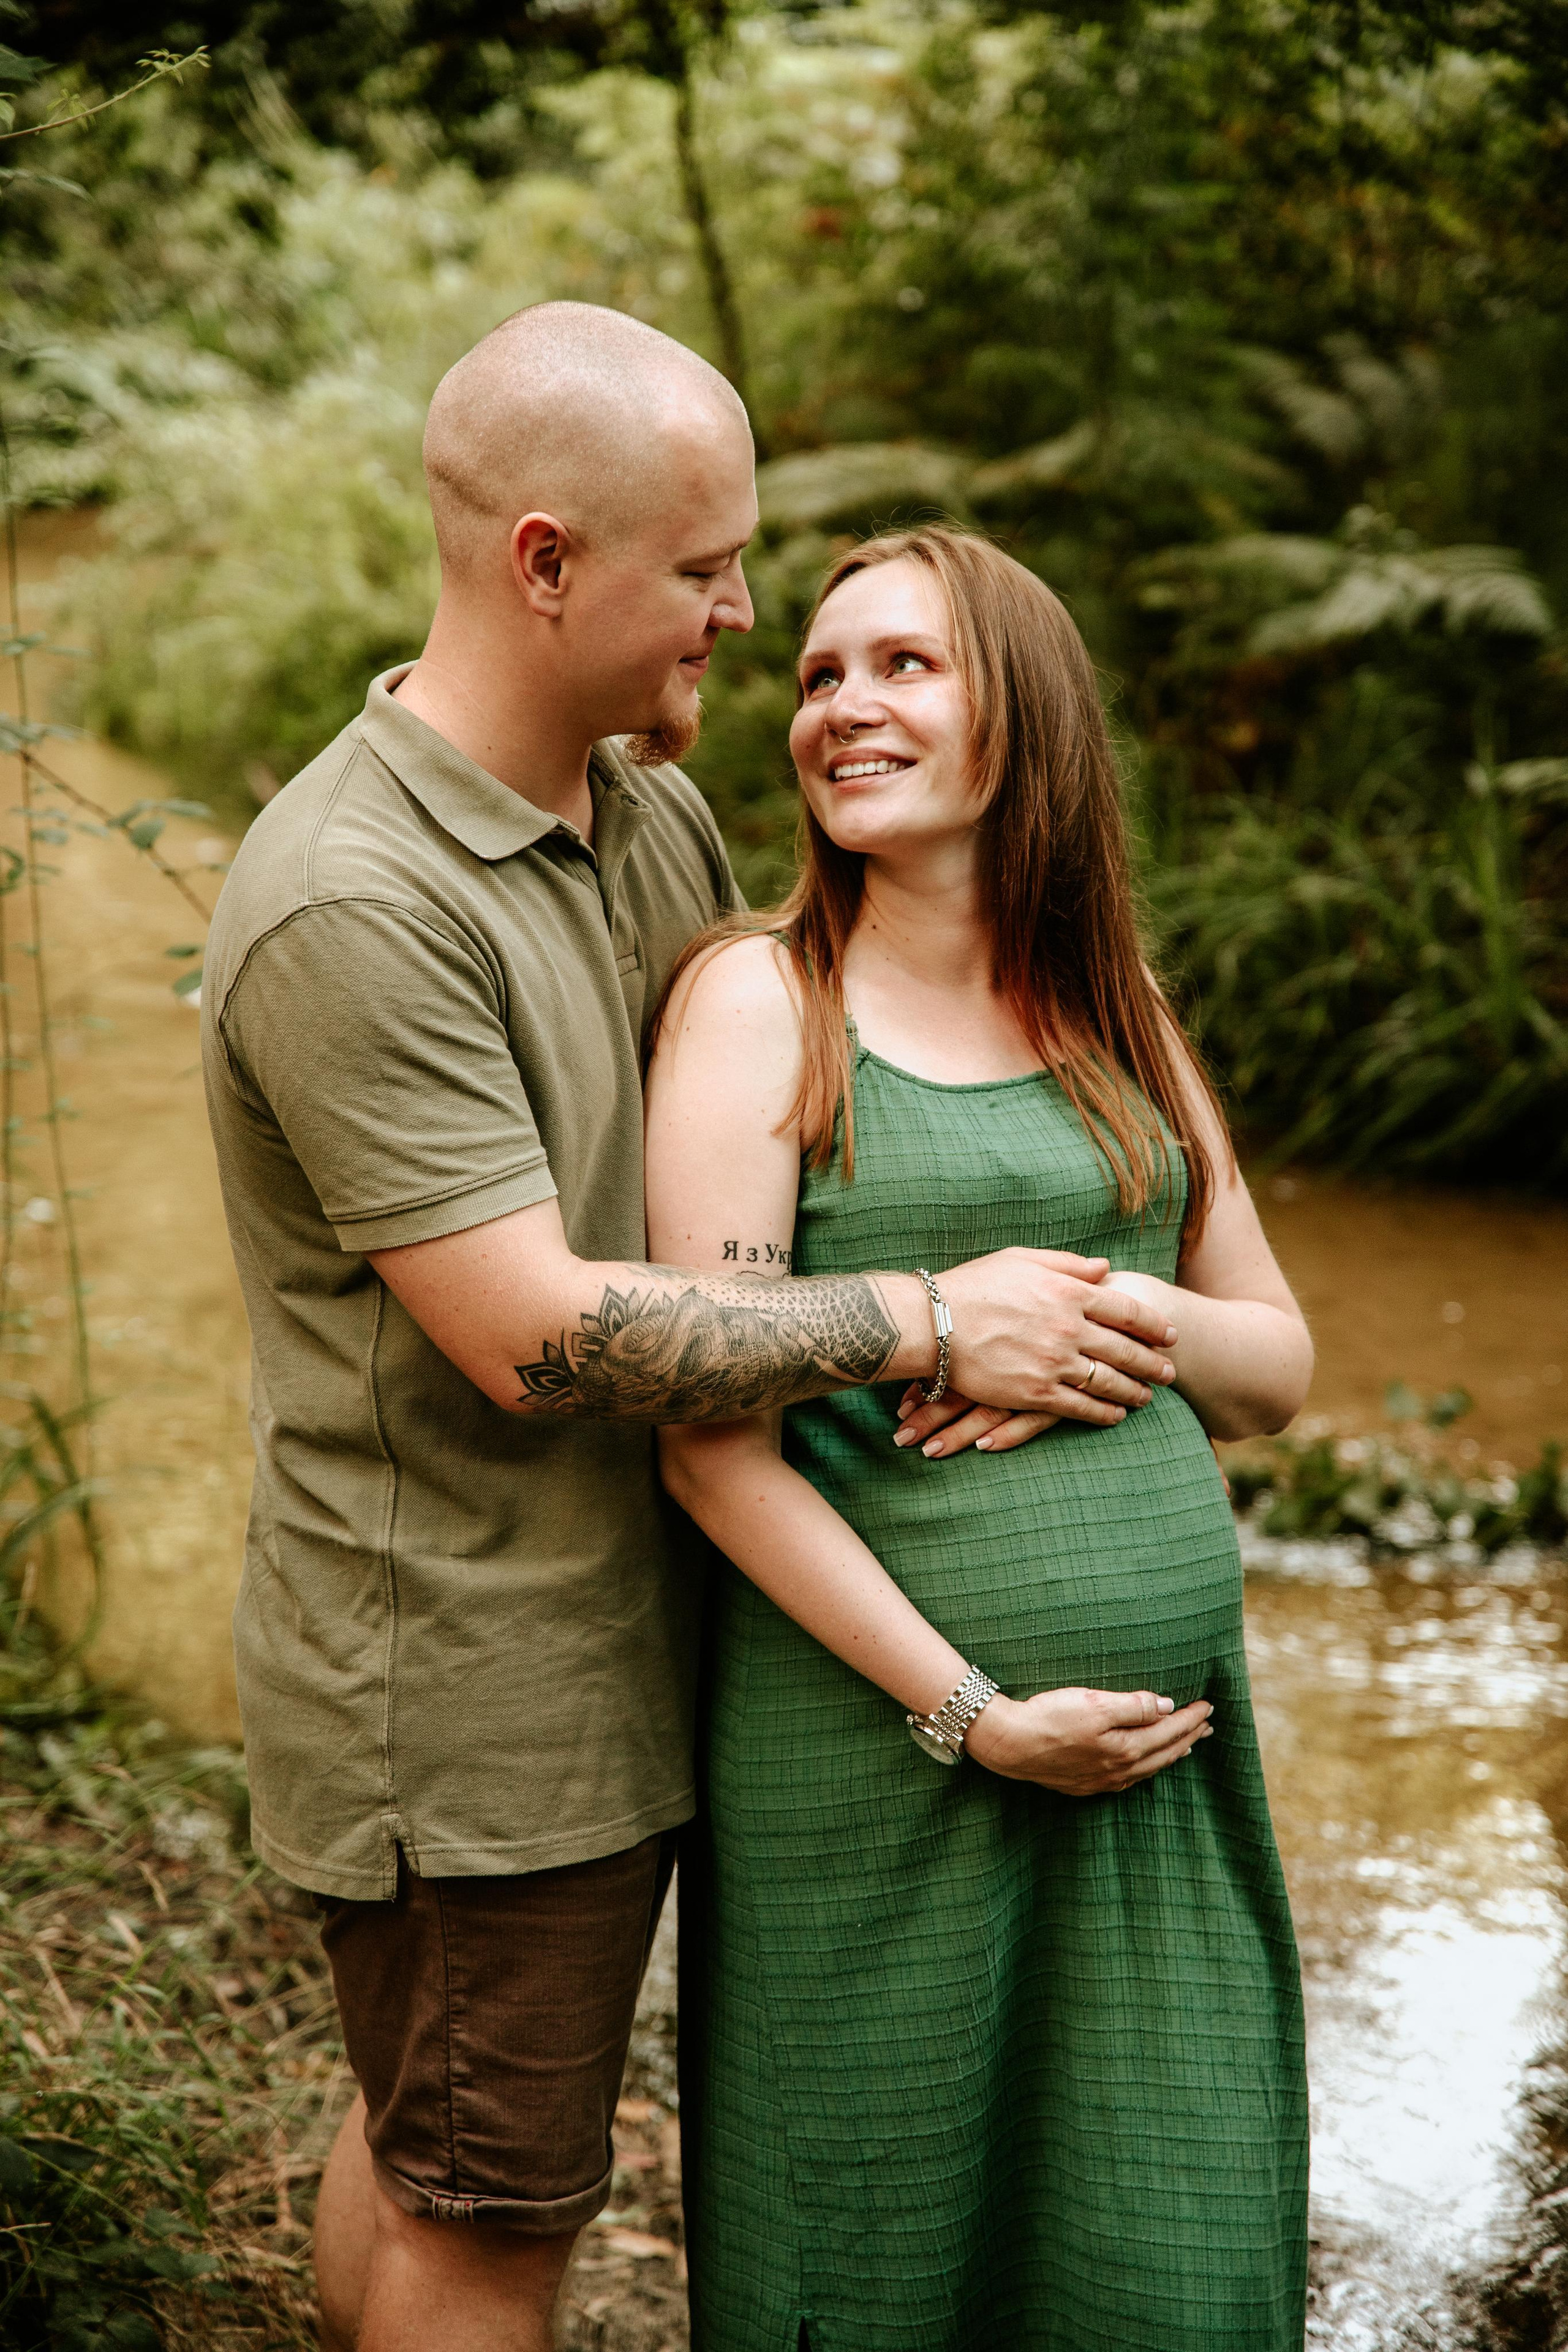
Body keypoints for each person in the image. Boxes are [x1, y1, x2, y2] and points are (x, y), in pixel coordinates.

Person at [200, 307, 1193, 2352]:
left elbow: (758, 1180)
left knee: (431, 2145)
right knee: (490, 2216)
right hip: (473, 1696)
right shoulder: (350, 902)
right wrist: (932, 1319)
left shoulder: (651, 816)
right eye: (706, 566)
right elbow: (537, 1337)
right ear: (545, 560)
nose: (746, 612)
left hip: (659, 1646)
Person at [646, 524, 1315, 2350]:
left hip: (1161, 1785)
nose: (841, 705)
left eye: (903, 667)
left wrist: (1113, 1319)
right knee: (888, 2249)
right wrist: (979, 1715)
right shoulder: (756, 1003)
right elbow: (713, 1451)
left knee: (1167, 2252)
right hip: (882, 1768)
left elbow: (1273, 1366)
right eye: (819, 673)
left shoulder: (1121, 1018)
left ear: (1023, 717)